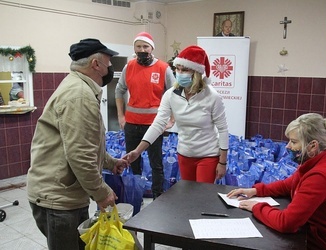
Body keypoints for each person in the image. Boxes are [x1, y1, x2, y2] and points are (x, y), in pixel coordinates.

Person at [27, 38, 129, 250]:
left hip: (64, 193)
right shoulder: (79, 95)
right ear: (95, 64)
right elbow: (80, 154)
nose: (110, 67)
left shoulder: (76, 86)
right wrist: (103, 193)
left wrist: (110, 162)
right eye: (108, 62)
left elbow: (85, 143)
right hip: (59, 199)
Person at [227, 113, 326, 249]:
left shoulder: (320, 175)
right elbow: (288, 185)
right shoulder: (312, 165)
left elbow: (287, 223)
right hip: (315, 239)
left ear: (312, 146)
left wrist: (257, 207)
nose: (287, 146)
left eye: (294, 142)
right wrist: (255, 190)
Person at [123, 45, 229, 183]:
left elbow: (223, 129)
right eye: (177, 69)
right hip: (184, 154)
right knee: (188, 195)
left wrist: (222, 162)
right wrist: (138, 151)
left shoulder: (212, 96)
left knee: (201, 198)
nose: (180, 73)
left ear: (196, 73)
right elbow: (158, 124)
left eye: (185, 70)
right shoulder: (171, 95)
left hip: (208, 155)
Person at [115, 32, 175, 199]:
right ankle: (136, 196)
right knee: (132, 161)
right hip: (132, 125)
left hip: (154, 126)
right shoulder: (129, 67)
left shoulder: (164, 68)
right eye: (138, 46)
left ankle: (157, 197)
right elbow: (119, 90)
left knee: (156, 164)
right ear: (134, 48)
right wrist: (121, 116)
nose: (142, 50)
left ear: (152, 48)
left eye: (145, 46)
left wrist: (172, 119)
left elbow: (175, 94)